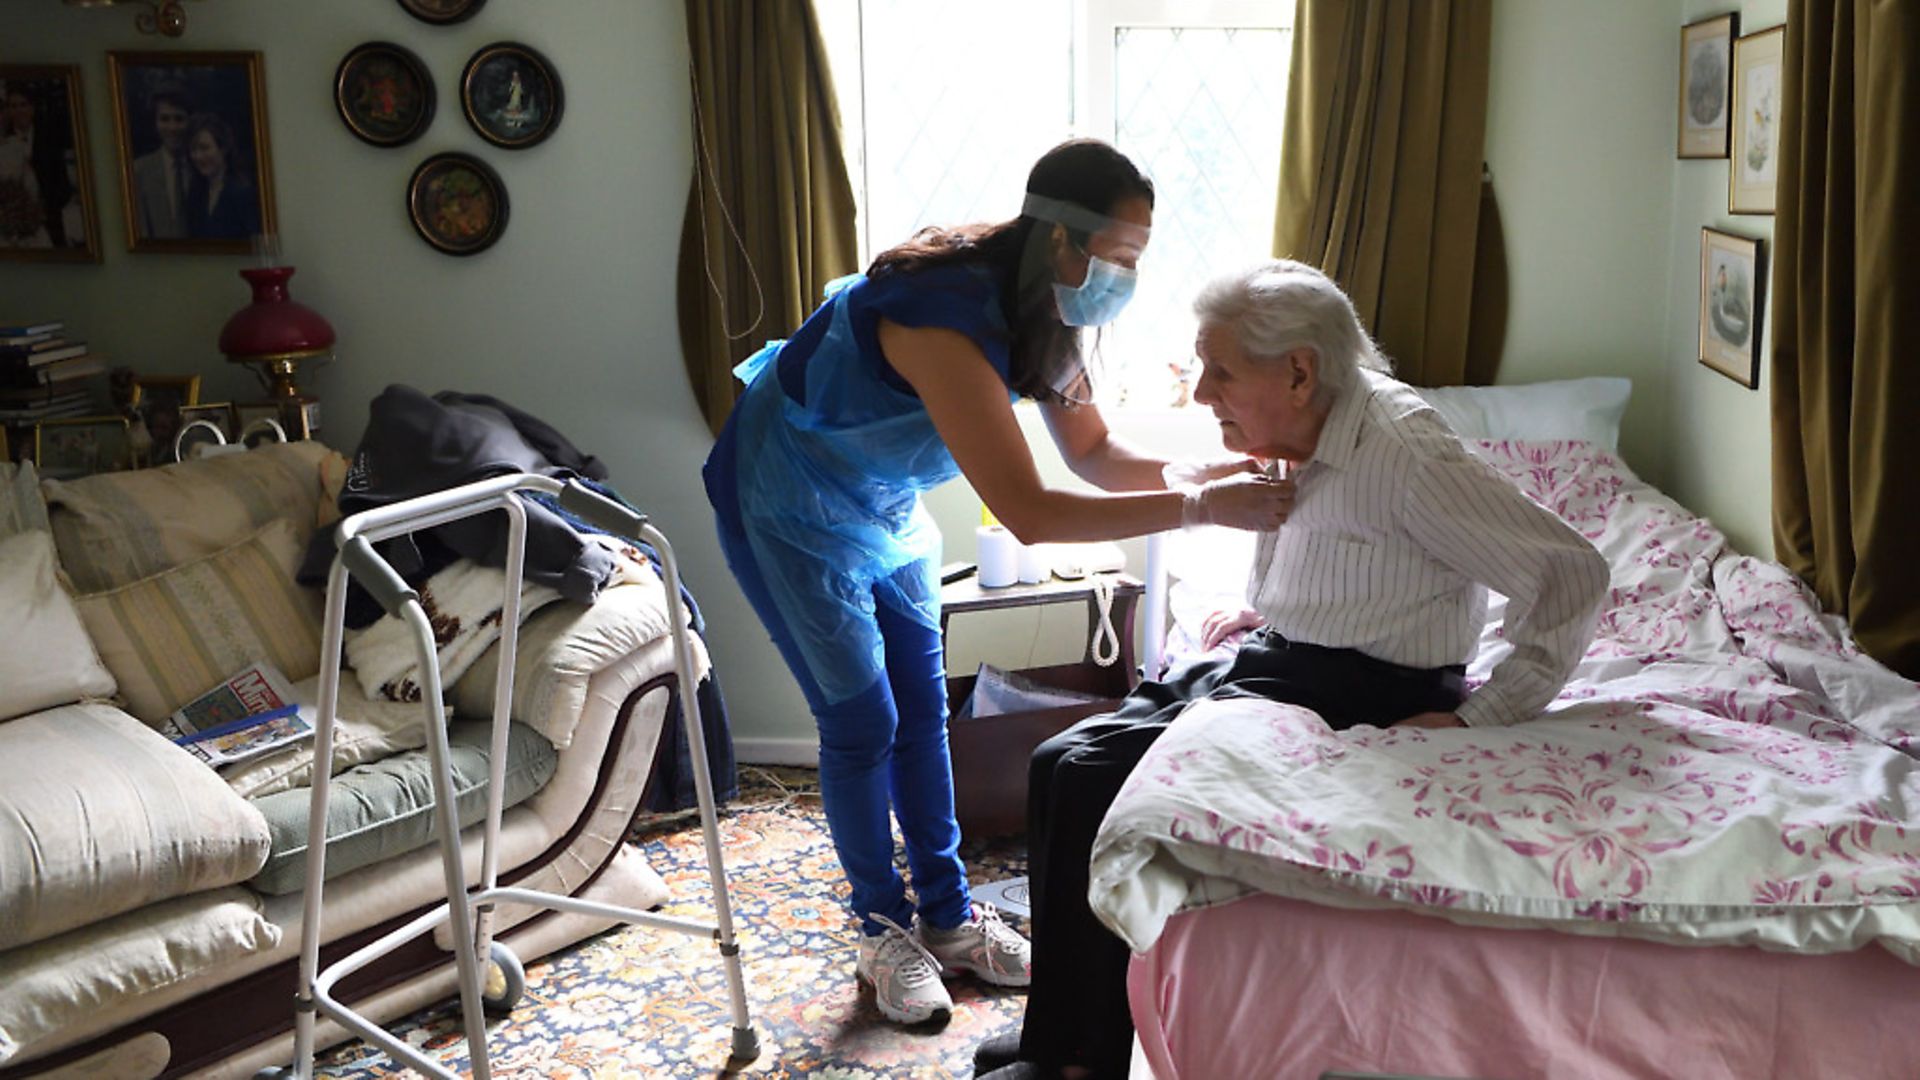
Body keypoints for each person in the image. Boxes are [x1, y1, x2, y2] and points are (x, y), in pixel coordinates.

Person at [702, 139, 1292, 1027]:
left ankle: (944, 918)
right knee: (862, 721)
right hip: (783, 494)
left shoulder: (1045, 313)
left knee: (922, 705)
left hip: (879, 493)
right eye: (1123, 258)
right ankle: (879, 929)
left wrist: (1220, 464)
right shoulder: (941, 316)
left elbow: (1095, 453)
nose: (1129, 279)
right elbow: (1030, 509)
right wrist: (1208, 510)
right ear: (1064, 240)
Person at [973, 259, 1611, 1079]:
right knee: (1056, 761)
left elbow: (1571, 573)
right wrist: (1269, 607)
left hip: (1362, 686)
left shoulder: (1405, 452)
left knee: (1093, 776)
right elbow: (1331, 548)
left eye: (1221, 372)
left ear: (1300, 371)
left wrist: (1478, 718)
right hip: (1285, 656)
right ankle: (1056, 1036)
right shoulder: (1295, 431)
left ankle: (1082, 1062)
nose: (1203, 394)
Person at [0, 82, 74, 248]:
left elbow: (62, 185)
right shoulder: (4, 144)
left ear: (32, 108)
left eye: (23, 105)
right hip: (10, 227)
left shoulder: (49, 137)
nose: (19, 111)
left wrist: (44, 209)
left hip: (49, 220)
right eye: (13, 106)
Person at [131, 82, 193, 240]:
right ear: (155, 123)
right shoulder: (140, 170)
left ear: (189, 121)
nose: (172, 128)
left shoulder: (202, 166)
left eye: (179, 119)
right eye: (164, 119)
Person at [183, 112, 259, 240]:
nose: (198, 156)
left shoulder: (243, 192)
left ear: (223, 148)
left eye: (204, 148)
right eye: (193, 150)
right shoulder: (195, 193)